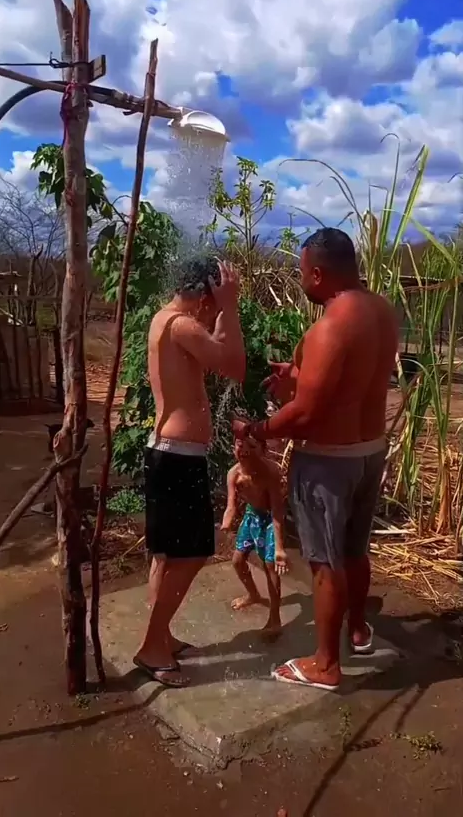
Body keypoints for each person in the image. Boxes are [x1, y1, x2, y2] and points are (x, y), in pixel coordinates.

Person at [233, 228, 398, 691]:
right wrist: (300, 372)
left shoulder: (328, 328)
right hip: (369, 451)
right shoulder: (382, 311)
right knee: (355, 550)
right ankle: (358, 630)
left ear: (319, 274)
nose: (301, 278)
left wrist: (257, 430)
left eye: (303, 271)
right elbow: (352, 376)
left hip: (328, 462)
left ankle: (325, 665)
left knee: (325, 561)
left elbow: (305, 414)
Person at [133, 256, 246, 688]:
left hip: (171, 454)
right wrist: (231, 307)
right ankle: (152, 647)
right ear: (203, 295)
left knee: (168, 555)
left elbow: (218, 350)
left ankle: (160, 636)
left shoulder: (168, 321)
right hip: (177, 457)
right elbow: (234, 365)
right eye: (213, 302)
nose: (213, 312)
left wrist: (222, 311)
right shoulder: (181, 325)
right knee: (191, 555)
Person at [220, 437, 288, 640]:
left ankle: (275, 618)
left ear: (263, 450)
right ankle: (253, 594)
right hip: (252, 516)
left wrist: (280, 548)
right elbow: (231, 506)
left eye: (252, 446)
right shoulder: (234, 474)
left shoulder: (270, 472)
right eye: (240, 445)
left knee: (270, 565)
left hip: (270, 519)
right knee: (237, 561)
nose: (245, 450)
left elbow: (277, 510)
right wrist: (225, 525)